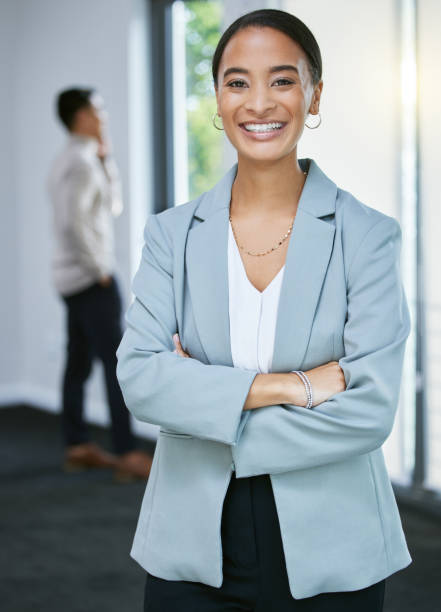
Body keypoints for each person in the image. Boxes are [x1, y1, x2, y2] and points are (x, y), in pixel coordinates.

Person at [116, 8, 412, 610]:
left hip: (333, 543)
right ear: (219, 98)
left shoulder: (367, 235)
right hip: (189, 538)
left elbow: (371, 409)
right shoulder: (172, 235)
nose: (259, 104)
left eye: (282, 80)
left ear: (314, 94)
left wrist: (201, 401)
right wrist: (289, 386)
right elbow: (141, 379)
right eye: (237, 82)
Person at [47, 87, 152, 482]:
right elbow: (73, 224)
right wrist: (100, 270)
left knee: (77, 361)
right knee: (117, 363)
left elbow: (109, 207)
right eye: (98, 109)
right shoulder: (81, 164)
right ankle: (126, 452)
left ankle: (77, 445)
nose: (103, 116)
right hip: (91, 278)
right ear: (81, 115)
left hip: (70, 279)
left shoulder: (71, 159)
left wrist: (108, 161)